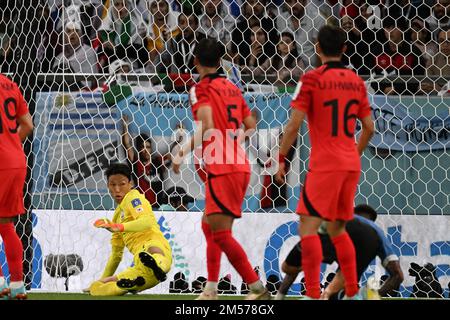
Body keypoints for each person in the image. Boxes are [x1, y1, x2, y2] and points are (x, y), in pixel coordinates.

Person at [275, 25, 375, 299]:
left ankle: (311, 294)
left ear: (317, 48)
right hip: (349, 164)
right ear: (344, 49)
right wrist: (355, 154)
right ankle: (352, 289)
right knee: (337, 227)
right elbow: (369, 128)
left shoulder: (310, 80)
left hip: (324, 165)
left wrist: (281, 159)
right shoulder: (356, 81)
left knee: (307, 229)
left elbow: (293, 125)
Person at [172, 38, 269, 300]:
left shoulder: (199, 88)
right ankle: (211, 289)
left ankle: (256, 288)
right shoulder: (232, 87)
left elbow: (206, 125)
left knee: (222, 233)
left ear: (195, 61)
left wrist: (181, 151)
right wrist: (232, 140)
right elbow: (250, 125)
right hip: (239, 163)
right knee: (208, 225)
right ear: (220, 60)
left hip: (222, 165)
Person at [275, 205, 404, 300]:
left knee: (293, 266)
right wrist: (377, 294)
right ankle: (363, 296)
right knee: (342, 285)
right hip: (368, 239)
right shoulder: (377, 231)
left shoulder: (340, 218)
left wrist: (280, 296)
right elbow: (398, 276)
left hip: (337, 229)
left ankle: (284, 296)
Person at [86, 163, 172, 296]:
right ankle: (129, 284)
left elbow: (147, 221)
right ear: (108, 186)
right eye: (113, 185)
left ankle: (156, 268)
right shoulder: (116, 216)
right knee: (95, 288)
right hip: (140, 263)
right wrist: (102, 280)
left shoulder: (133, 198)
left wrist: (119, 227)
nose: (117, 189)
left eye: (122, 184)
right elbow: (116, 255)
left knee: (153, 250)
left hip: (153, 244)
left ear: (130, 184)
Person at [0, 73, 34, 300]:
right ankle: (17, 285)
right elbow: (28, 125)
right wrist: (10, 145)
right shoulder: (10, 83)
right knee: (6, 224)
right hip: (16, 161)